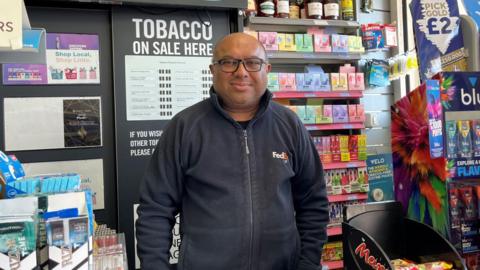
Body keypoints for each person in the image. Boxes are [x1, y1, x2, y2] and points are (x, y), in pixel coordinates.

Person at [136, 32, 328, 270]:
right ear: (212, 69)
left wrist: (308, 263)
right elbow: (155, 209)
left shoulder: (290, 125)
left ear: (266, 69)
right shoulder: (185, 127)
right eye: (228, 62)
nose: (241, 72)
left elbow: (313, 202)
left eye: (252, 62)